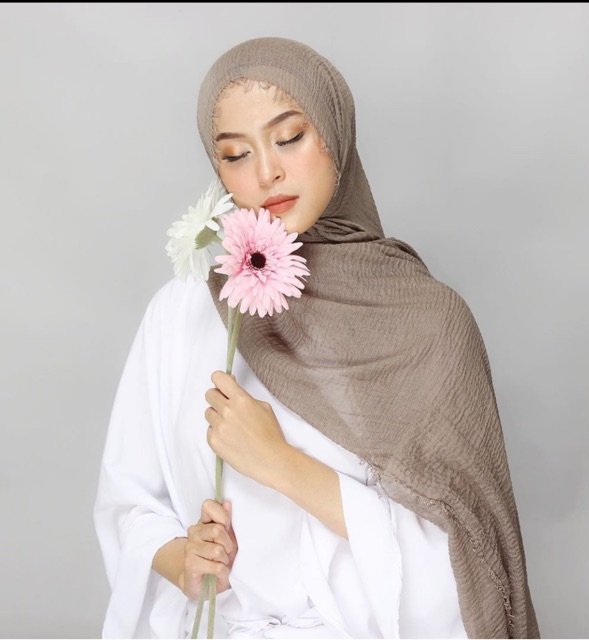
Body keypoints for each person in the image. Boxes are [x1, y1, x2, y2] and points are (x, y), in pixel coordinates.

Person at [94, 37, 540, 639]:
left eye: (289, 137)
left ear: (335, 132)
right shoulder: (183, 312)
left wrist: (281, 465)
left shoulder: (429, 324)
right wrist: (184, 560)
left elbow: (469, 565)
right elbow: (131, 501)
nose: (266, 172)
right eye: (235, 154)